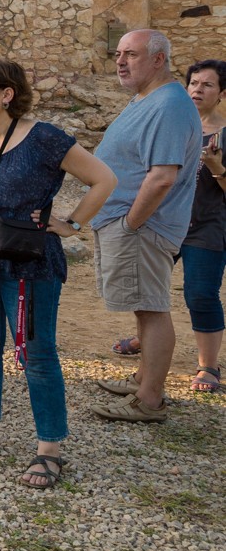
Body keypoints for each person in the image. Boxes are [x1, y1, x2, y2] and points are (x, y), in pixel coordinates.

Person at [0, 61, 115, 488]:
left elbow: (105, 179)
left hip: (27, 259)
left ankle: (49, 450)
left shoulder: (45, 138)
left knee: (37, 354)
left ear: (7, 94)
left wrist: (71, 224)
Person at [88, 30, 202, 423]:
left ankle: (149, 400)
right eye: (118, 53)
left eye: (131, 54)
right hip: (130, 224)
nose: (120, 61)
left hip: (142, 227)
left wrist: (130, 222)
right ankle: (143, 380)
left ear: (158, 60)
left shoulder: (168, 104)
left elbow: (162, 177)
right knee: (144, 305)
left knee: (152, 309)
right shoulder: (148, 98)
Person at [180, 60, 226, 392]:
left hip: (208, 224)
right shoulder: (177, 128)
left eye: (207, 85)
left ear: (222, 93)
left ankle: (208, 365)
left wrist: (217, 167)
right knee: (145, 286)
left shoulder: (224, 134)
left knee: (200, 293)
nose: (197, 89)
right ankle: (149, 340)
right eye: (194, 83)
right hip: (167, 220)